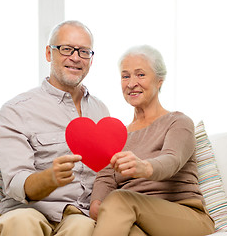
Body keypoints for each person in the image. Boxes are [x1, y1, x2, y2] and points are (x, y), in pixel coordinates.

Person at [0, 20, 109, 236]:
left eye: (84, 52)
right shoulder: (15, 111)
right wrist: (50, 178)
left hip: (79, 214)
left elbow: (106, 175)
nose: (75, 57)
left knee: (83, 228)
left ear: (91, 60)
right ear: (48, 53)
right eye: (66, 49)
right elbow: (16, 182)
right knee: (21, 222)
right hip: (29, 210)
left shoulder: (101, 111)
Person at [89, 45, 215, 236]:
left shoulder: (178, 122)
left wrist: (144, 168)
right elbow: (105, 177)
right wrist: (96, 204)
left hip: (184, 215)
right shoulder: (118, 134)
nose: (131, 83)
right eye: (125, 76)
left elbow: (172, 159)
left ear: (159, 81)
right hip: (134, 216)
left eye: (140, 75)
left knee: (119, 199)